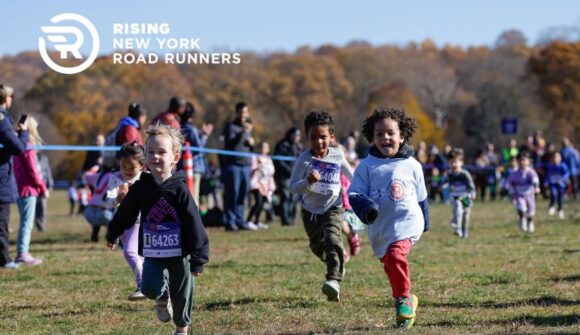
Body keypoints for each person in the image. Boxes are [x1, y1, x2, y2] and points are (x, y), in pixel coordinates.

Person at [106, 123, 209, 335]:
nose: (155, 156)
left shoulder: (180, 188)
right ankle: (162, 297)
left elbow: (193, 222)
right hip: (153, 250)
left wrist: (199, 257)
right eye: (150, 151)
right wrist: (114, 232)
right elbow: (126, 211)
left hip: (180, 252)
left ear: (175, 157)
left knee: (182, 293)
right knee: (149, 287)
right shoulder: (141, 187)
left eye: (161, 152)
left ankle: (181, 329)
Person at [348, 106, 429, 329]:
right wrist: (366, 208)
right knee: (389, 262)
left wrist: (426, 221)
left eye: (391, 133)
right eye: (379, 134)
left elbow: (422, 197)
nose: (385, 137)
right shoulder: (366, 166)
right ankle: (409, 302)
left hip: (408, 223)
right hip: (381, 227)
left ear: (402, 136)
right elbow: (354, 193)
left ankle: (402, 298)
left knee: (395, 256)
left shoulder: (412, 165)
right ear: (372, 138)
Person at [290, 111, 353, 302]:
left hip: (333, 207)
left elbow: (353, 177)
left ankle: (333, 281)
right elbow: (292, 187)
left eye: (323, 137)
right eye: (313, 137)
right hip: (310, 211)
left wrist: (364, 189)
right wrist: (307, 181)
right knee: (318, 248)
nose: (318, 142)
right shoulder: (304, 159)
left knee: (333, 239)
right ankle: (337, 261)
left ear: (331, 137)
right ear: (307, 138)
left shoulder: (337, 155)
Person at [105, 142, 146, 300]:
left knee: (129, 252)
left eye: (131, 167)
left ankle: (142, 284)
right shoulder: (115, 178)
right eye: (123, 166)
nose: (127, 170)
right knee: (140, 256)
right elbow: (108, 202)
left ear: (142, 166)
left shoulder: (144, 179)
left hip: (139, 221)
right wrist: (118, 198)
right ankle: (158, 285)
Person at [0, 84, 29, 269]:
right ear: (5, 98)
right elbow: (18, 148)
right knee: (2, 222)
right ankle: (4, 259)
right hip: (1, 178)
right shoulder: (2, 119)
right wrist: (23, 133)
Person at [13, 116, 48, 265]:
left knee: (25, 221)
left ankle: (23, 251)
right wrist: (42, 187)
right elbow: (33, 171)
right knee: (27, 223)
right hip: (27, 189)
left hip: (19, 188)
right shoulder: (28, 146)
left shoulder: (19, 145)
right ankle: (22, 253)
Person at [222, 102, 255, 231]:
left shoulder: (248, 128)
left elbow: (249, 147)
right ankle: (230, 222)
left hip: (245, 165)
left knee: (242, 194)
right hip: (233, 165)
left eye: (245, 112)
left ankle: (240, 220)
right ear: (236, 113)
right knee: (233, 194)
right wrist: (242, 133)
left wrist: (251, 143)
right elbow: (229, 144)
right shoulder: (230, 127)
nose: (243, 115)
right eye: (241, 112)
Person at [178, 101, 213, 206]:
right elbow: (198, 147)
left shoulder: (180, 126)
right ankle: (194, 221)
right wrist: (205, 136)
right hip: (194, 165)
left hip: (182, 165)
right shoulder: (191, 128)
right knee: (194, 194)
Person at [273, 127, 303, 226]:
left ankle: (292, 218)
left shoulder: (299, 146)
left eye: (298, 135)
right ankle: (285, 219)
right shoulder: (282, 145)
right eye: (294, 135)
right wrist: (290, 171)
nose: (296, 137)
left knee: (294, 198)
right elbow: (279, 161)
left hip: (295, 177)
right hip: (284, 176)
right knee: (285, 197)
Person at [507, 152, 540, 233]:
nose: (522, 162)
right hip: (519, 194)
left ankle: (530, 222)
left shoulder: (531, 172)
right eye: (520, 160)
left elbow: (535, 180)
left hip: (530, 194)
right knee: (522, 208)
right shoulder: (515, 173)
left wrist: (536, 187)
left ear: (528, 161)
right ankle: (522, 220)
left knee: (531, 210)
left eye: (524, 160)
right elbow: (509, 182)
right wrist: (509, 189)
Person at [447, 148, 476, 239]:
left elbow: (471, 185)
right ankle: (457, 229)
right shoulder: (449, 174)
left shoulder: (465, 174)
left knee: (466, 215)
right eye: (451, 162)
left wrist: (473, 192)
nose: (454, 164)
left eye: (456, 162)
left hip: (466, 197)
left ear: (461, 163)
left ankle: (464, 230)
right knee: (458, 209)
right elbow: (444, 182)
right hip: (455, 197)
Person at [247, 141, 276, 230]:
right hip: (256, 183)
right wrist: (258, 168)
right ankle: (248, 221)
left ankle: (256, 222)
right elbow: (251, 169)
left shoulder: (269, 159)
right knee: (258, 202)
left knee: (262, 204)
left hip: (266, 184)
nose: (264, 149)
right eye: (263, 147)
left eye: (266, 147)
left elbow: (271, 171)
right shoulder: (255, 157)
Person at [83, 167, 113, 242]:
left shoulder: (98, 176)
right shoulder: (118, 176)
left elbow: (86, 176)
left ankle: (95, 232)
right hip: (105, 214)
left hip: (89, 213)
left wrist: (95, 167)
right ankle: (111, 234)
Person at [545, 152, 570, 220]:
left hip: (561, 184)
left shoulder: (563, 166)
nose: (555, 158)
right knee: (553, 194)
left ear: (560, 158)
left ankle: (560, 210)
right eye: (554, 157)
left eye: (557, 157)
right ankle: (551, 206)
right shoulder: (550, 166)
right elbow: (548, 175)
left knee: (560, 198)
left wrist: (562, 179)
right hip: (553, 183)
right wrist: (546, 181)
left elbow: (567, 173)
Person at [35, 152, 53, 232]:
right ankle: (36, 224)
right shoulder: (28, 156)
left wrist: (50, 185)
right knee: (33, 208)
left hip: (43, 187)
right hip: (33, 187)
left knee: (42, 207)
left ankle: (41, 226)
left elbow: (48, 172)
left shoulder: (44, 158)